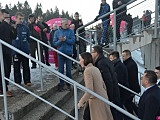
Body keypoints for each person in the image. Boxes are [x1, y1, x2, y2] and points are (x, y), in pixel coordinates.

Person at [78, 52, 113, 120]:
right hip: (102, 97)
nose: (79, 62)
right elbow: (103, 85)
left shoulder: (87, 71)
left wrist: (81, 102)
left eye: (80, 60)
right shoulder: (95, 68)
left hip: (96, 101)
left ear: (85, 60)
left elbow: (89, 89)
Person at [92, 45, 121, 120]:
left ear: (96, 53)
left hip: (110, 92)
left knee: (113, 113)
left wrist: (110, 96)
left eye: (92, 52)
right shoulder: (105, 60)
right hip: (113, 90)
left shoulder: (101, 63)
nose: (91, 54)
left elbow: (108, 80)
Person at [53, 18, 75, 92]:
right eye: (65, 24)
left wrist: (66, 40)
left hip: (68, 53)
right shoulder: (57, 32)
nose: (67, 25)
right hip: (61, 53)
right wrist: (60, 41)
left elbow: (73, 41)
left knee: (68, 70)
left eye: (67, 24)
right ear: (61, 24)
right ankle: (61, 85)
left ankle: (68, 85)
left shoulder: (71, 31)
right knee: (61, 70)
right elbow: (54, 43)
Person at [0, 9, 17, 97]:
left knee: (8, 69)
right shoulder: (3, 25)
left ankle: (4, 87)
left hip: (7, 50)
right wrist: (6, 23)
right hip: (1, 50)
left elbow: (13, 36)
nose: (7, 18)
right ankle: (3, 89)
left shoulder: (7, 25)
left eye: (8, 17)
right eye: (6, 16)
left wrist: (14, 27)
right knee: (3, 70)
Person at [109, 51, 131, 120]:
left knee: (121, 110)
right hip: (121, 92)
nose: (110, 60)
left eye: (111, 58)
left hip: (121, 92)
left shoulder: (119, 66)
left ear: (115, 58)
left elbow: (119, 80)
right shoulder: (118, 65)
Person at [12, 12, 31, 86]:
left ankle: (27, 81)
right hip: (15, 50)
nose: (21, 20)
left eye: (22, 19)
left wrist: (27, 47)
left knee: (26, 66)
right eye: (20, 19)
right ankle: (17, 81)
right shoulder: (13, 27)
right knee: (16, 67)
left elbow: (28, 38)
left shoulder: (25, 27)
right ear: (15, 18)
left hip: (24, 49)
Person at [122, 49, 141, 116]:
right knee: (129, 103)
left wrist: (130, 89)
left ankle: (135, 115)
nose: (122, 58)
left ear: (128, 56)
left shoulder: (130, 65)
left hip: (131, 88)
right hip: (131, 88)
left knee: (128, 103)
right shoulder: (128, 63)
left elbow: (132, 79)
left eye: (123, 56)